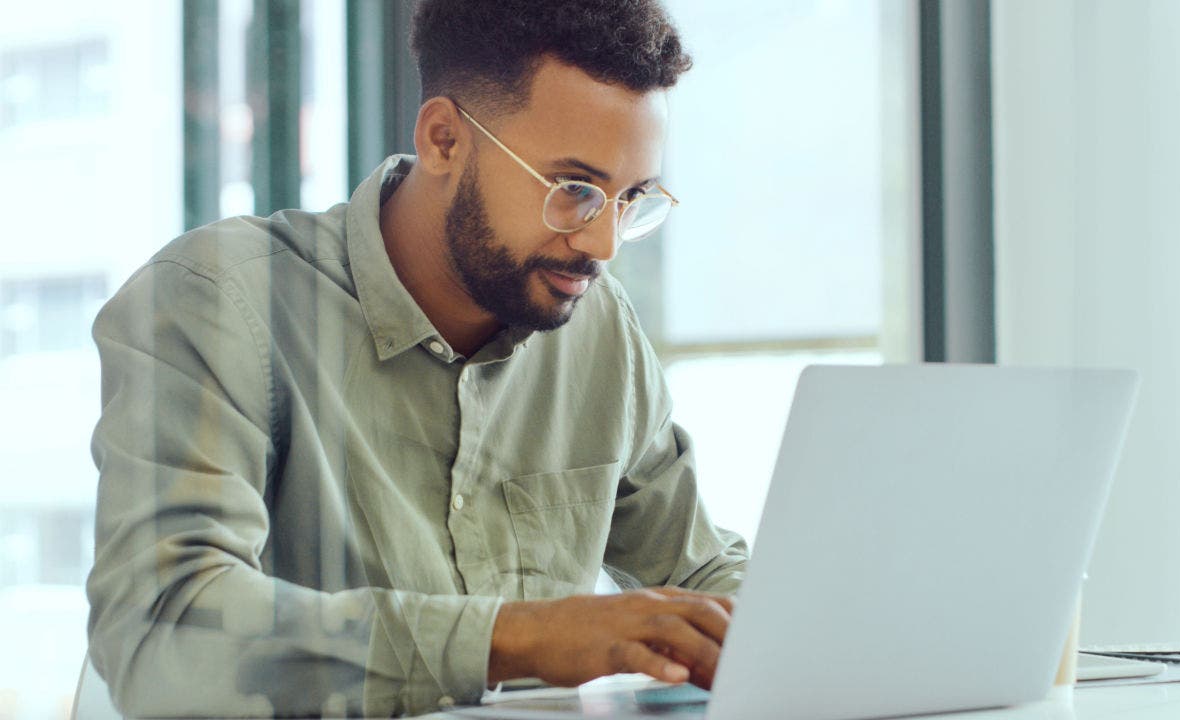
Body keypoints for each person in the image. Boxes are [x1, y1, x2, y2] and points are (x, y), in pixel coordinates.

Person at [86, 0, 748, 716]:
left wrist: (808, 629)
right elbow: (162, 632)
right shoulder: (217, 301)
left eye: (633, 199)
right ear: (443, 140)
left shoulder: (596, 327)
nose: (603, 245)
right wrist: (513, 639)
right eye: (575, 190)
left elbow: (700, 572)